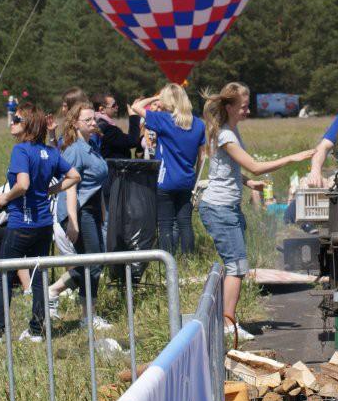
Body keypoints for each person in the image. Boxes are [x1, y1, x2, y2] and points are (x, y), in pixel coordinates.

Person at [198, 83, 315, 341]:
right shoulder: (227, 135)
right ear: (228, 107)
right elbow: (255, 165)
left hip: (227, 207)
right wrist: (292, 158)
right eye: (242, 107)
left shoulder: (231, 130)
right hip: (219, 209)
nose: (247, 111)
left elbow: (224, 170)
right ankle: (228, 325)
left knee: (236, 265)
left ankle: (227, 320)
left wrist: (248, 183)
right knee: (237, 266)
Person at [0, 103, 80, 344]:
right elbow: (75, 176)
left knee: (4, 274)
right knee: (39, 276)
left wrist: (4, 197)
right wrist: (51, 190)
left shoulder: (21, 151)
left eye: (17, 119)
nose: (12, 122)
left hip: (21, 223)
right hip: (43, 225)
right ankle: (37, 330)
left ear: (29, 125)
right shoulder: (51, 152)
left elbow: (22, 185)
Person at [47, 102, 111, 328]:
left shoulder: (91, 145)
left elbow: (97, 184)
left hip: (93, 210)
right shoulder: (74, 149)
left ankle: (53, 292)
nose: (94, 123)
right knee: (93, 262)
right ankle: (87, 316)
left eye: (94, 119)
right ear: (75, 123)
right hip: (78, 211)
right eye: (88, 120)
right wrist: (72, 222)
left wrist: (103, 213)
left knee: (95, 260)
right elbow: (71, 186)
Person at [131, 84, 206, 255]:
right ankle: (188, 261)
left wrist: (155, 98)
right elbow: (202, 157)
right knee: (185, 223)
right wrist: (194, 179)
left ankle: (169, 262)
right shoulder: (198, 124)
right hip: (187, 180)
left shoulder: (163, 119)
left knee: (165, 223)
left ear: (167, 101)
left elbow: (136, 107)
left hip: (165, 180)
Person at [94, 91, 143, 160]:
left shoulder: (97, 124)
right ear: (102, 109)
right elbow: (132, 141)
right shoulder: (108, 129)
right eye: (113, 105)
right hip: (113, 169)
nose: (117, 107)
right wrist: (134, 116)